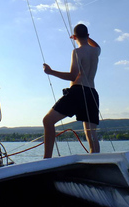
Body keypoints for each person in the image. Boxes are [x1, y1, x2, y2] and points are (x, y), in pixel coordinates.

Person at [42, 24, 101, 158]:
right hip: (92, 93)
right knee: (91, 134)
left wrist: (50, 72)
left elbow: (73, 76)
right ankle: (95, 163)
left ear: (74, 37)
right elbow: (95, 44)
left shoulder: (77, 52)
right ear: (88, 35)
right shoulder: (96, 51)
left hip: (77, 92)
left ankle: (47, 159)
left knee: (48, 121)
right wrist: (84, 37)